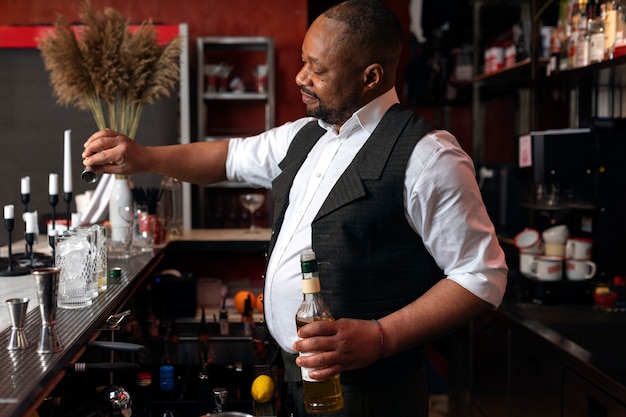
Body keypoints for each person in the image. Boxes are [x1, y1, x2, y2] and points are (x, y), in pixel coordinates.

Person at [82, 1, 508, 415]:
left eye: (317, 69)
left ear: (371, 76)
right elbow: (225, 158)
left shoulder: (428, 155)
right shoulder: (306, 135)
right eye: (304, 62)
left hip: (371, 394)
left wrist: (381, 336)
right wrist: (143, 158)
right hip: (292, 378)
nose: (301, 77)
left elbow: (481, 276)